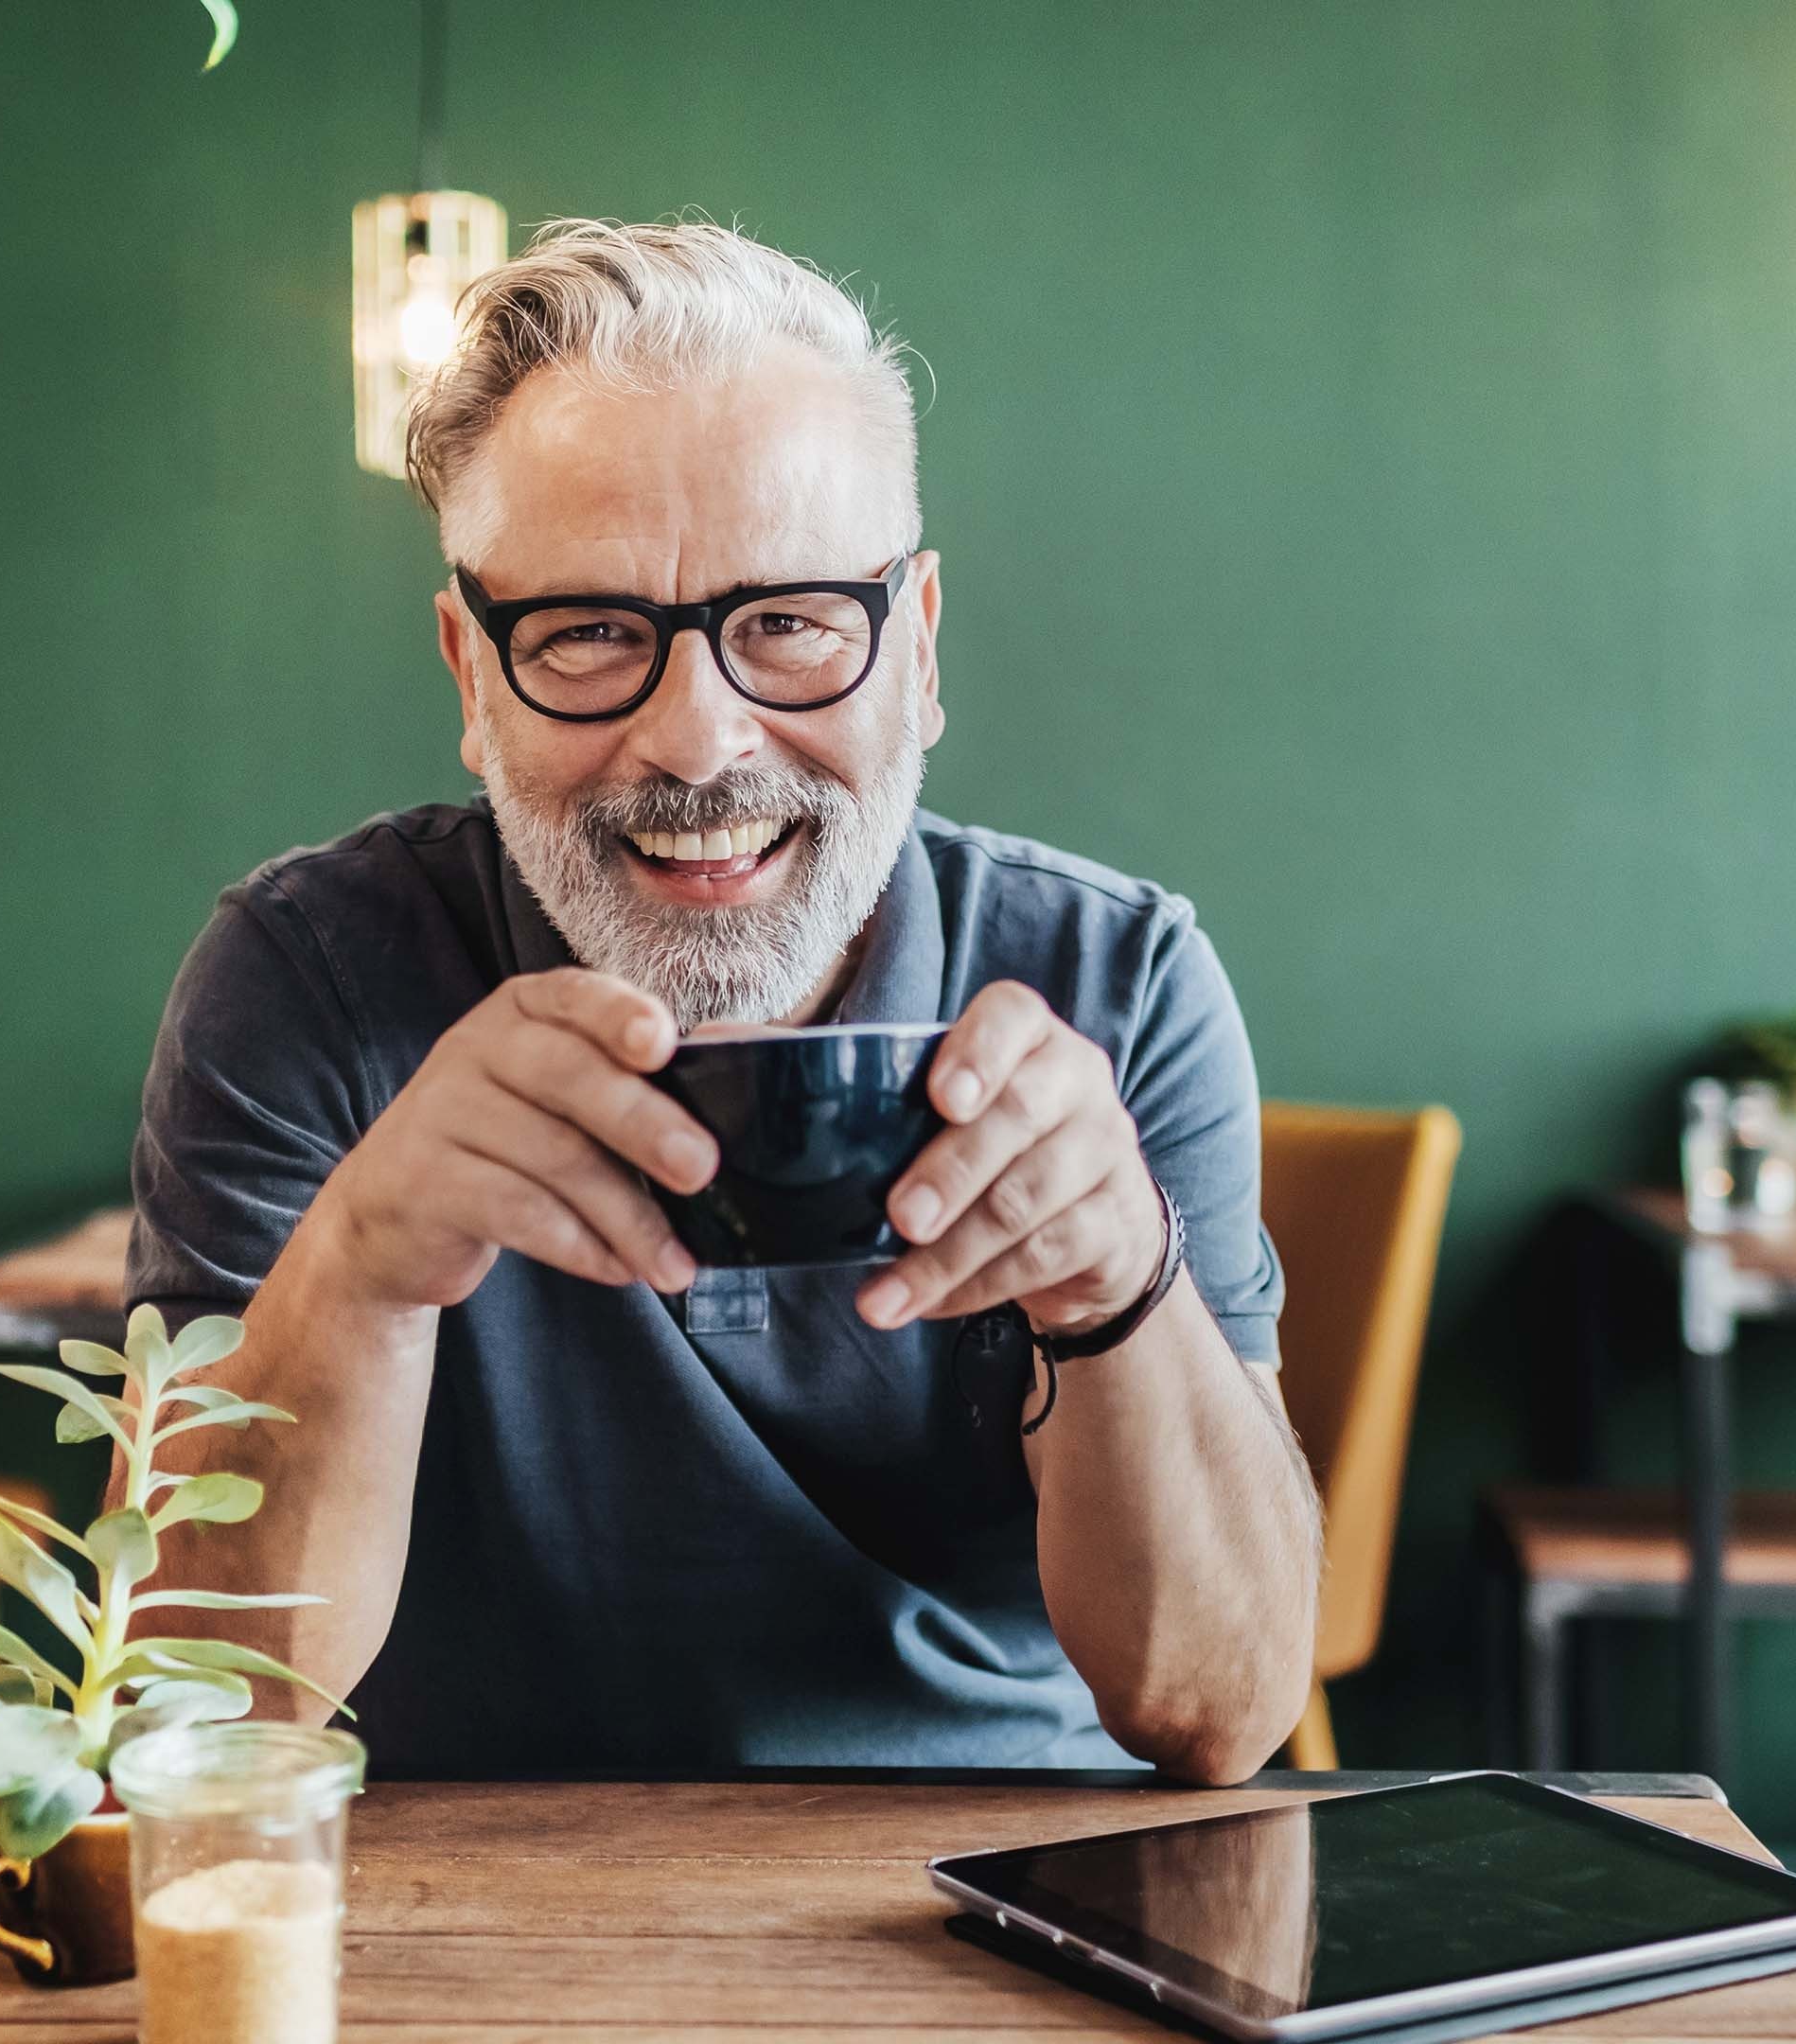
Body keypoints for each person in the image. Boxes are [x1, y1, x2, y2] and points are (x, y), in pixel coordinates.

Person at [130, 220, 1318, 1780]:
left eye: (791, 625)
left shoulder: (1114, 980)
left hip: (1008, 1887)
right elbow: (194, 1711)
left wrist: (1118, 1288)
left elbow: (1222, 1712)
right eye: (590, 635)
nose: (700, 741)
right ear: (469, 677)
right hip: (467, 1906)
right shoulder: (312, 979)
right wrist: (358, 1271)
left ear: (920, 648)